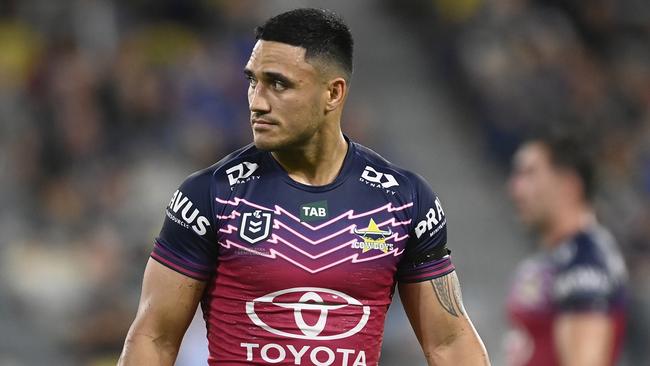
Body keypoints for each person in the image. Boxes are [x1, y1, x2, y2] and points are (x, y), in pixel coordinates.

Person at [118, 8, 489, 366]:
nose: (257, 102)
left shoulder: (402, 200)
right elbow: (153, 337)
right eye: (253, 80)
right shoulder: (210, 196)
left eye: (278, 83)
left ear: (333, 93)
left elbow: (450, 341)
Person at [506, 133, 627, 366]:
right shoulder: (554, 259)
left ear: (569, 185)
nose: (515, 188)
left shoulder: (587, 261)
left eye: (529, 174)